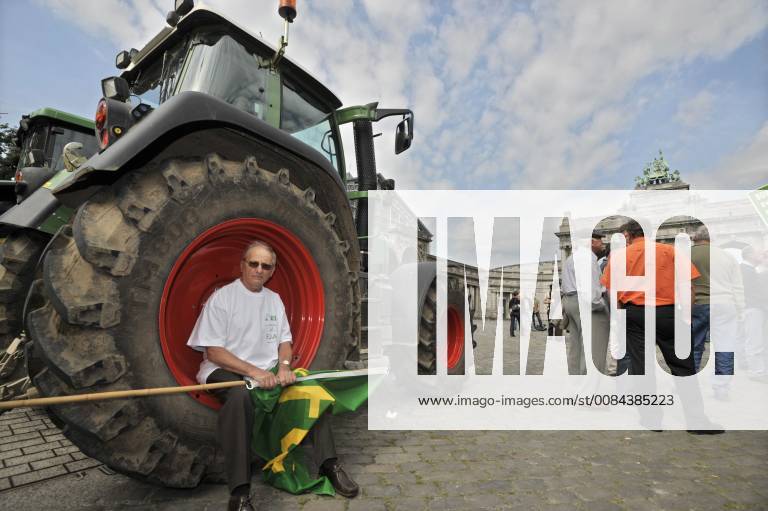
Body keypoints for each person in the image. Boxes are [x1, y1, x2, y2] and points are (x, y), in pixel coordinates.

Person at [187, 241, 359, 511]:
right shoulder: (222, 298)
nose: (259, 270)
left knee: (312, 390)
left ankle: (330, 465)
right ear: (242, 265)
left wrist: (284, 366)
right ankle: (240, 493)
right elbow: (214, 352)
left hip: (266, 371)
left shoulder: (274, 299)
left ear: (272, 271)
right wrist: (253, 372)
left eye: (265, 266)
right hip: (225, 371)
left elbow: (285, 342)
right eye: (253, 263)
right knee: (239, 396)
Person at [601, 220, 721, 433]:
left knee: (641, 367)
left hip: (634, 313)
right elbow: (688, 286)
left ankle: (651, 419)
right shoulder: (669, 251)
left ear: (628, 235)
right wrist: (687, 315)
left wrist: (621, 316)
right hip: (667, 312)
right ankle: (696, 421)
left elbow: (613, 293)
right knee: (683, 366)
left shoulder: (618, 257)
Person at [690, 226, 745, 399]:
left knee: (694, 346)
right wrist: (741, 310)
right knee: (725, 346)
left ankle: (687, 383)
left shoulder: (685, 255)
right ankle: (722, 387)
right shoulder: (727, 256)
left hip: (697, 304)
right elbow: (737, 286)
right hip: (725, 304)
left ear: (694, 238)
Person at [561, 232, 610, 375]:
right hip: (586, 305)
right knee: (594, 350)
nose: (603, 244)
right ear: (592, 242)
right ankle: (590, 392)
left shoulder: (572, 257)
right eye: (600, 241)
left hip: (571, 301)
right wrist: (602, 305)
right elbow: (591, 291)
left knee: (576, 349)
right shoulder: (588, 258)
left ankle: (577, 385)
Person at [741, 246, 767, 379]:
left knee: (754, 339)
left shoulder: (749, 270)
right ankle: (756, 371)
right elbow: (754, 293)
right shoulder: (746, 270)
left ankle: (756, 369)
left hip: (753, 308)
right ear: (750, 255)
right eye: (758, 253)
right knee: (754, 340)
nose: (760, 256)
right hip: (753, 308)